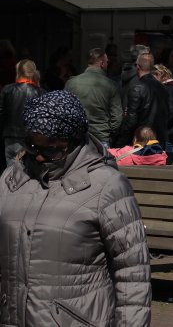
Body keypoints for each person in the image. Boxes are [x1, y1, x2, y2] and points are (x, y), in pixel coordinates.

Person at [0, 91, 150, 325]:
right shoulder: (11, 179)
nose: (39, 158)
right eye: (32, 146)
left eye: (51, 149)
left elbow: (133, 272)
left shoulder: (107, 186)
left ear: (73, 141)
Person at [65, 48, 122, 148]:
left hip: (77, 137)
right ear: (102, 63)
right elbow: (117, 117)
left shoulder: (71, 83)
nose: (108, 64)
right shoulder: (111, 85)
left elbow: (65, 110)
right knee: (102, 163)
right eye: (107, 62)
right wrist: (109, 133)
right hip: (101, 137)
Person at [119, 52, 173, 148]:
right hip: (159, 141)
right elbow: (168, 115)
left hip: (141, 142)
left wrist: (122, 142)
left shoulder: (137, 88)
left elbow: (131, 120)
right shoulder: (163, 88)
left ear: (137, 67)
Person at [0, 59, 46, 169]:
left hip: (10, 136)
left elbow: (1, 113)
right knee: (27, 171)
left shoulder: (7, 89)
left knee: (10, 170)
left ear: (18, 72)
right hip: (31, 138)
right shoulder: (41, 92)